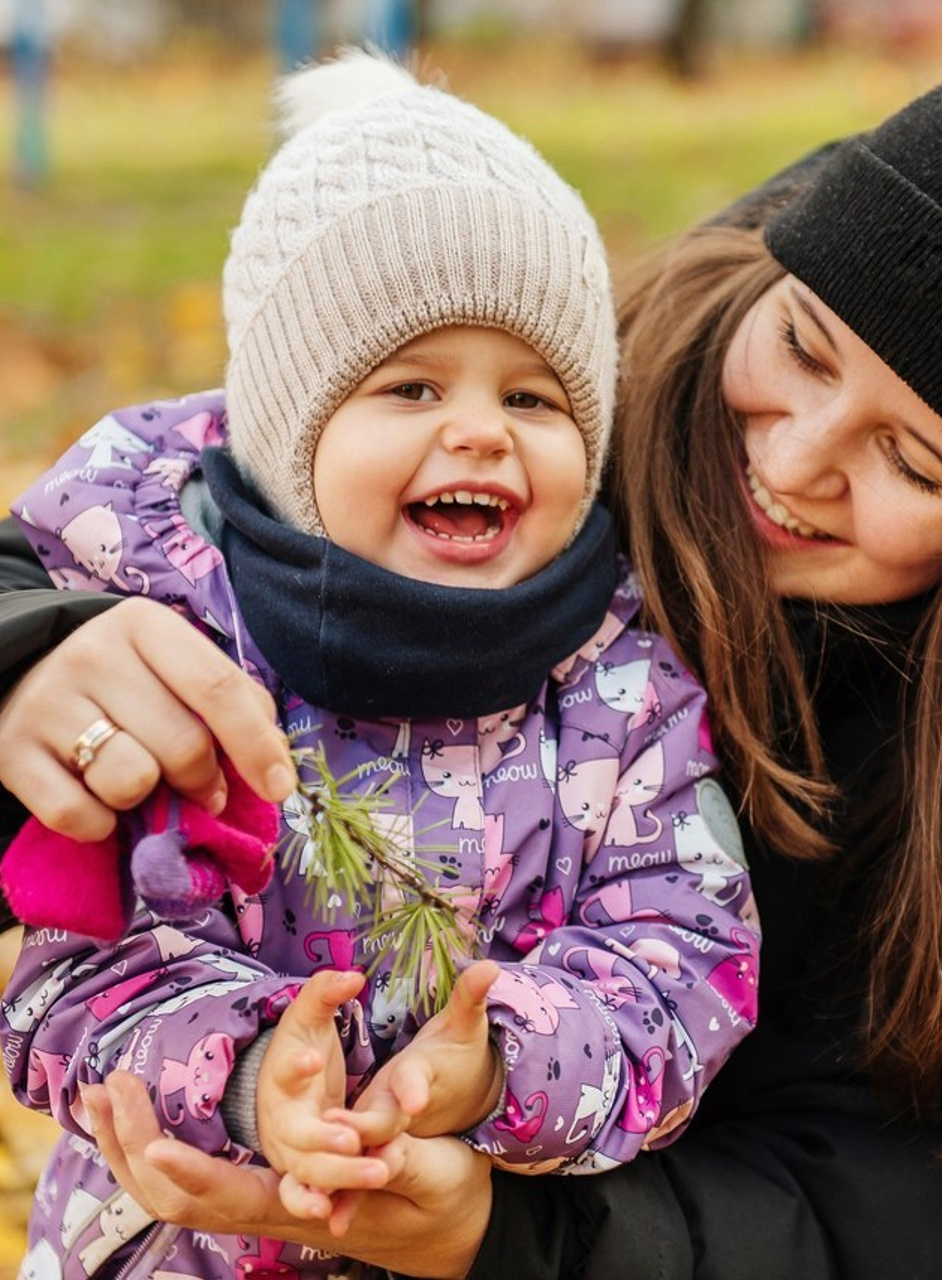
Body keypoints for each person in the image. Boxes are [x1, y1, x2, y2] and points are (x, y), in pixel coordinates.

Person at [3, 1, 942, 1277]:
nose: (788, 461)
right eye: (801, 344)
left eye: (909, 460)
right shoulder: (531, 390)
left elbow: (900, 1196)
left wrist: (501, 1236)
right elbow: (195, 474)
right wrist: (26, 654)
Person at [0, 47, 759, 1280]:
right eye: (410, 386)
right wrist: (251, 1077)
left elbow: (683, 954)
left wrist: (505, 1066)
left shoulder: (624, 681)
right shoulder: (173, 633)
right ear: (295, 430)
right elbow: (71, 974)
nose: (477, 428)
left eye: (532, 397)